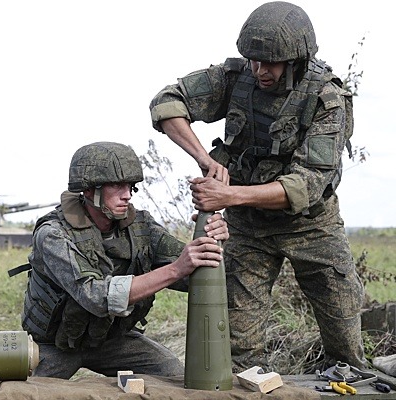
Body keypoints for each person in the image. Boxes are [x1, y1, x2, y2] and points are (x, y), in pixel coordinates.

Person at [149, 1, 367, 371]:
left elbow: (306, 185)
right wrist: (206, 159)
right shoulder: (236, 78)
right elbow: (167, 103)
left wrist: (228, 195)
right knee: (238, 354)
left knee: (345, 342)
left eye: (270, 63)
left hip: (311, 226)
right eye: (253, 61)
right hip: (248, 229)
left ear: (296, 60)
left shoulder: (327, 100)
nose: (259, 71)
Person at [13, 141, 228, 379]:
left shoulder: (141, 226)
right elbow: (96, 296)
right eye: (116, 186)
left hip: (110, 341)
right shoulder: (53, 234)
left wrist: (209, 236)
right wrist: (177, 268)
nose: (127, 195)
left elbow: (193, 275)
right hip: (54, 344)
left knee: (174, 377)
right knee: (24, 392)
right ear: (88, 191)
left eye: (130, 186)